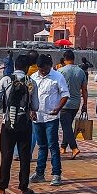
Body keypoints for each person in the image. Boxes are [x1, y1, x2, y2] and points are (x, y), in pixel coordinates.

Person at [0, 54, 40, 194]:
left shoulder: (6, 80)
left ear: (15, 66)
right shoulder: (31, 82)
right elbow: (35, 106)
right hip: (25, 124)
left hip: (8, 123)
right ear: (26, 68)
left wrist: (5, 107)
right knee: (25, 156)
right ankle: (24, 187)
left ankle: (2, 188)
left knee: (6, 155)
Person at [29, 54, 69, 186]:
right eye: (40, 69)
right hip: (37, 118)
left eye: (44, 69)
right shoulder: (33, 77)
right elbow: (29, 96)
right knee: (42, 146)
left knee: (53, 145)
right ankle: (39, 173)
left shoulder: (57, 77)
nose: (43, 72)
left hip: (51, 117)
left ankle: (56, 173)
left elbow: (65, 95)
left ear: (49, 66)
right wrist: (31, 110)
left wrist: (58, 108)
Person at [58, 49, 88, 160]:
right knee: (68, 125)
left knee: (66, 126)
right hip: (76, 103)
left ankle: (74, 148)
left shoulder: (60, 71)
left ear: (64, 59)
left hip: (64, 103)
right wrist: (85, 103)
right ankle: (63, 146)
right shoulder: (80, 71)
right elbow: (84, 89)